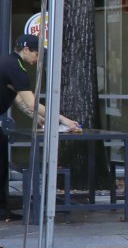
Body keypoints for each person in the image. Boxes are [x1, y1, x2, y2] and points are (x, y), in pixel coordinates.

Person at [0, 34, 83, 221]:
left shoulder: (8, 63)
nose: (37, 59)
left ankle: (2, 210)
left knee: (2, 161)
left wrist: (36, 117)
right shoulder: (16, 68)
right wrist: (64, 120)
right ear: (26, 50)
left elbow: (19, 100)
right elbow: (32, 102)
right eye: (37, 54)